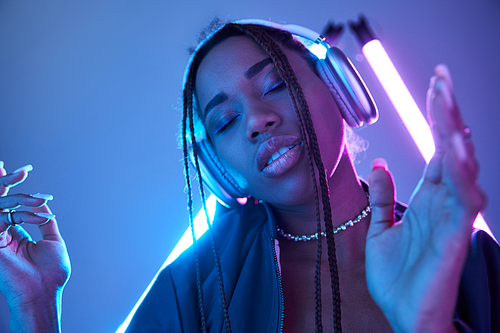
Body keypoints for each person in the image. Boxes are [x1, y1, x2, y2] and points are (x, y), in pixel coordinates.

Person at [0, 20, 498, 333]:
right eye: (225, 121)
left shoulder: (471, 261)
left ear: (339, 89)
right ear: (219, 167)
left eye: (276, 83)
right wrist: (36, 307)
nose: (258, 119)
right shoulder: (190, 291)